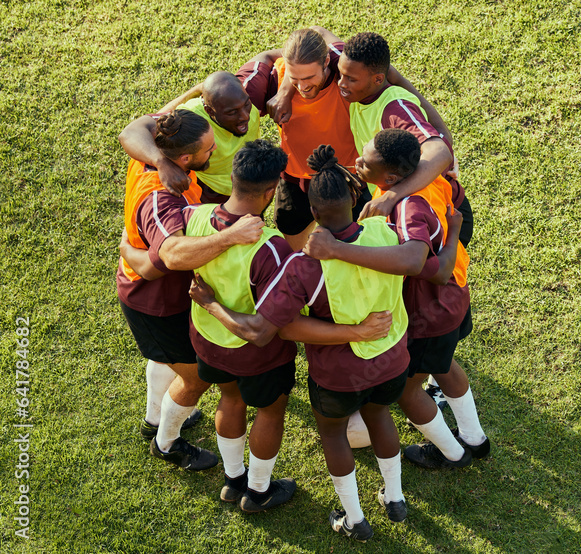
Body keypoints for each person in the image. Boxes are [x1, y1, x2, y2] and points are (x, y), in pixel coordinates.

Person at [190, 144, 411, 541]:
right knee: (381, 417)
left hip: (336, 375)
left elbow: (282, 328)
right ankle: (395, 498)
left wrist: (209, 304)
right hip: (392, 359)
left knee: (332, 435)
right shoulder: (388, 231)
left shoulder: (302, 265)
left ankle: (355, 519)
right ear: (356, 197)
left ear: (311, 212)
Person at [305, 129, 490, 469]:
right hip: (453, 294)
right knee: (443, 363)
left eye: (366, 161)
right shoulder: (425, 183)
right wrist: (449, 248)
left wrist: (336, 250)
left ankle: (454, 453)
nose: (357, 162)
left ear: (390, 176)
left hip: (429, 310)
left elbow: (414, 262)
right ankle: (475, 439)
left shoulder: (406, 208)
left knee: (405, 389)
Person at [117, 109, 265, 471]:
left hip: (158, 289)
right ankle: (166, 443)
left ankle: (155, 417)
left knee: (168, 358)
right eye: (208, 150)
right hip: (153, 299)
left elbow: (134, 127)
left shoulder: (158, 144)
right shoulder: (160, 198)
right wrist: (231, 236)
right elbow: (170, 254)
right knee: (196, 376)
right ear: (185, 158)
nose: (213, 154)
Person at [239, 27, 455, 250]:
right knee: (292, 245)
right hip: (295, 179)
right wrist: (286, 88)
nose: (302, 87)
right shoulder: (285, 78)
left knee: (358, 244)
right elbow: (300, 42)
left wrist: (441, 136)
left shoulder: (350, 75)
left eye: (309, 77)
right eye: (295, 79)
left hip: (350, 179)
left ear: (325, 62)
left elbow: (382, 72)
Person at [118, 71, 262, 202]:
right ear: (209, 110)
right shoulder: (190, 119)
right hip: (212, 194)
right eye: (232, 112)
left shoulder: (243, 90)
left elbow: (273, 56)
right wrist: (162, 163)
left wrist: (285, 89)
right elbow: (130, 133)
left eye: (246, 104)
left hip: (251, 185)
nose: (245, 116)